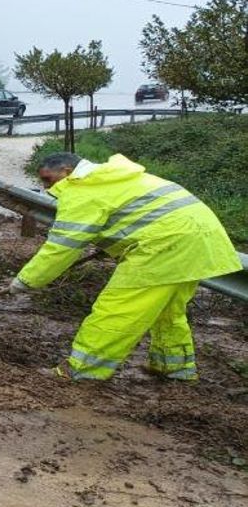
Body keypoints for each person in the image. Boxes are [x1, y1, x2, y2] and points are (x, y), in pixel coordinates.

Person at [12, 152, 241, 381]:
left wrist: (27, 280)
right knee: (167, 311)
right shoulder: (113, 176)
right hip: (202, 241)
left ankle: (82, 370)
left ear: (68, 172)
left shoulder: (82, 190)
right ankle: (173, 367)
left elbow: (62, 247)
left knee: (117, 309)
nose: (46, 187)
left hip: (166, 246)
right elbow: (134, 214)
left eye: (48, 180)